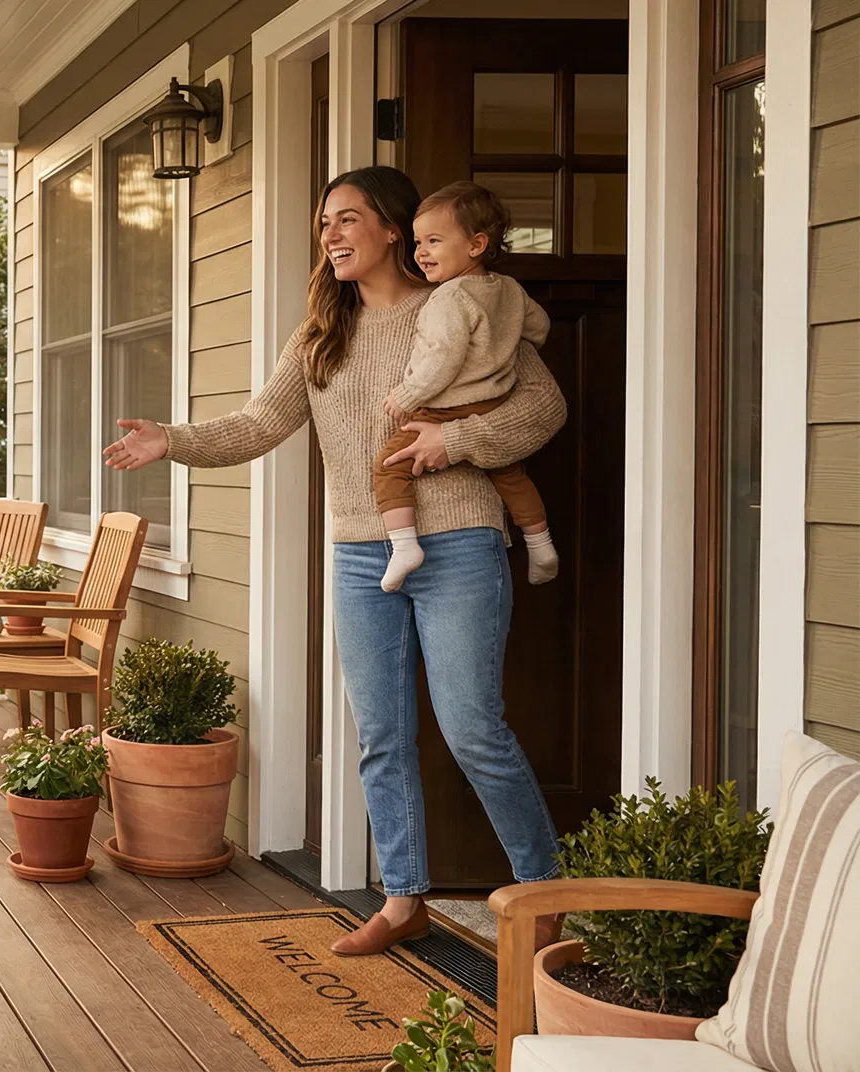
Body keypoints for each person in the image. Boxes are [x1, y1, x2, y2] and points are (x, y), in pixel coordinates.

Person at [102, 167, 565, 957]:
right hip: (359, 553)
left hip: (456, 539)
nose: (333, 235)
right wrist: (170, 441)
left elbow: (542, 407)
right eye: (325, 224)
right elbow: (257, 423)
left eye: (349, 219)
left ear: (393, 229)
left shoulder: (458, 306)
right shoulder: (323, 333)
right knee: (381, 733)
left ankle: (546, 893)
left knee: (471, 728)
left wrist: (457, 440)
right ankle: (404, 895)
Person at [373, 180, 557, 591]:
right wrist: (505, 342)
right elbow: (539, 326)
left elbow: (441, 359)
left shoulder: (449, 298)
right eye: (418, 241)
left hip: (448, 407)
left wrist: (407, 396)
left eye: (434, 241)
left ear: (475, 245)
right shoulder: (508, 289)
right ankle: (541, 544)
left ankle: (404, 545)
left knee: (390, 465)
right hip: (495, 401)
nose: (421, 252)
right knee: (510, 474)